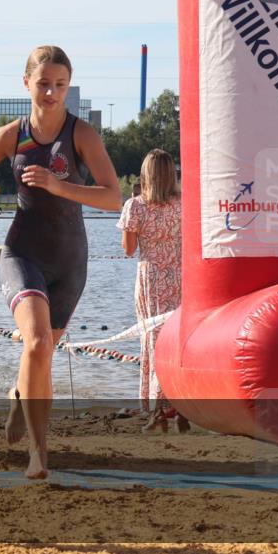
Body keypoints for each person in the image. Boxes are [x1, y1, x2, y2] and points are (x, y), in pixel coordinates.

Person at [0, 45, 122, 479]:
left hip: (70, 260)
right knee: (35, 344)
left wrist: (59, 185)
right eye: (44, 83)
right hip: (23, 251)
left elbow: (113, 197)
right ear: (26, 83)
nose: (51, 92)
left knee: (43, 353)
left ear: (68, 87)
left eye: (60, 85)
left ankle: (18, 395)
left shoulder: (82, 134)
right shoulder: (11, 136)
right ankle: (38, 452)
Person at [118, 148, 188, 434]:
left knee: (153, 343)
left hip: (151, 279)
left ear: (145, 175)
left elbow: (128, 249)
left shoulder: (135, 206)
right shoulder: (183, 204)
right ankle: (182, 409)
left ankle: (158, 412)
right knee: (178, 342)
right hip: (180, 276)